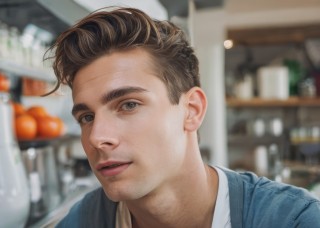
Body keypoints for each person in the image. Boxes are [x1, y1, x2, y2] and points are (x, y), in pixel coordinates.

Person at [47, 7, 320, 228]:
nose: (97, 137)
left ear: (192, 110)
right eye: (86, 117)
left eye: (128, 105)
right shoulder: (83, 221)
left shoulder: (292, 220)